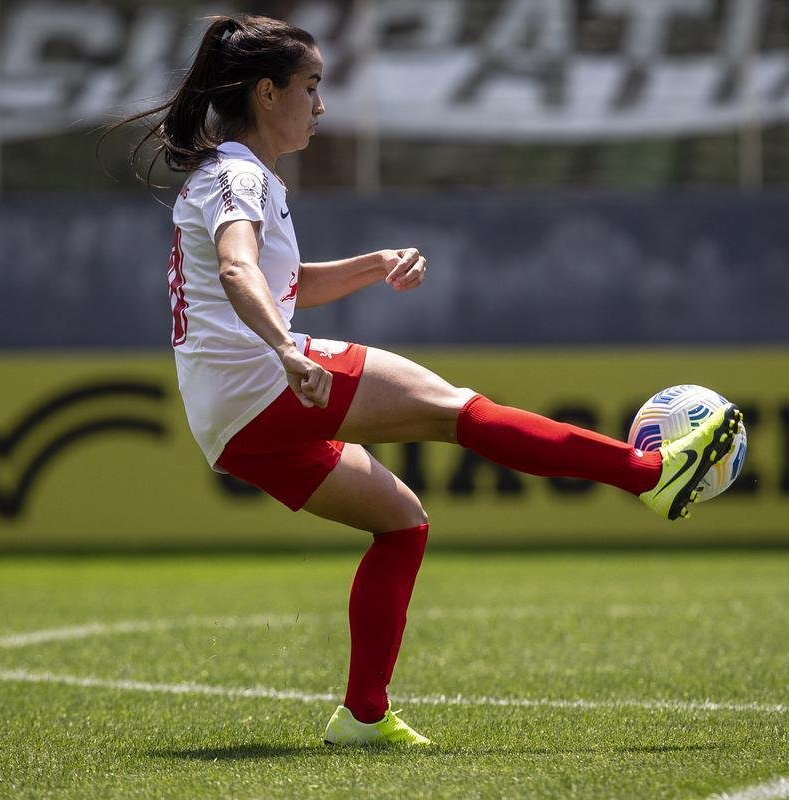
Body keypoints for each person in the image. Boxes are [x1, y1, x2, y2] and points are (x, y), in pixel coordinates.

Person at [113, 14, 741, 747]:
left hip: (229, 420)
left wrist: (371, 265)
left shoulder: (239, 176)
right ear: (266, 92)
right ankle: (646, 473)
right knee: (458, 410)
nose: (320, 106)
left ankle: (364, 716)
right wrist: (287, 349)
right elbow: (236, 269)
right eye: (311, 88)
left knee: (401, 522)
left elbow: (279, 281)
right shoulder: (237, 176)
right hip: (265, 381)